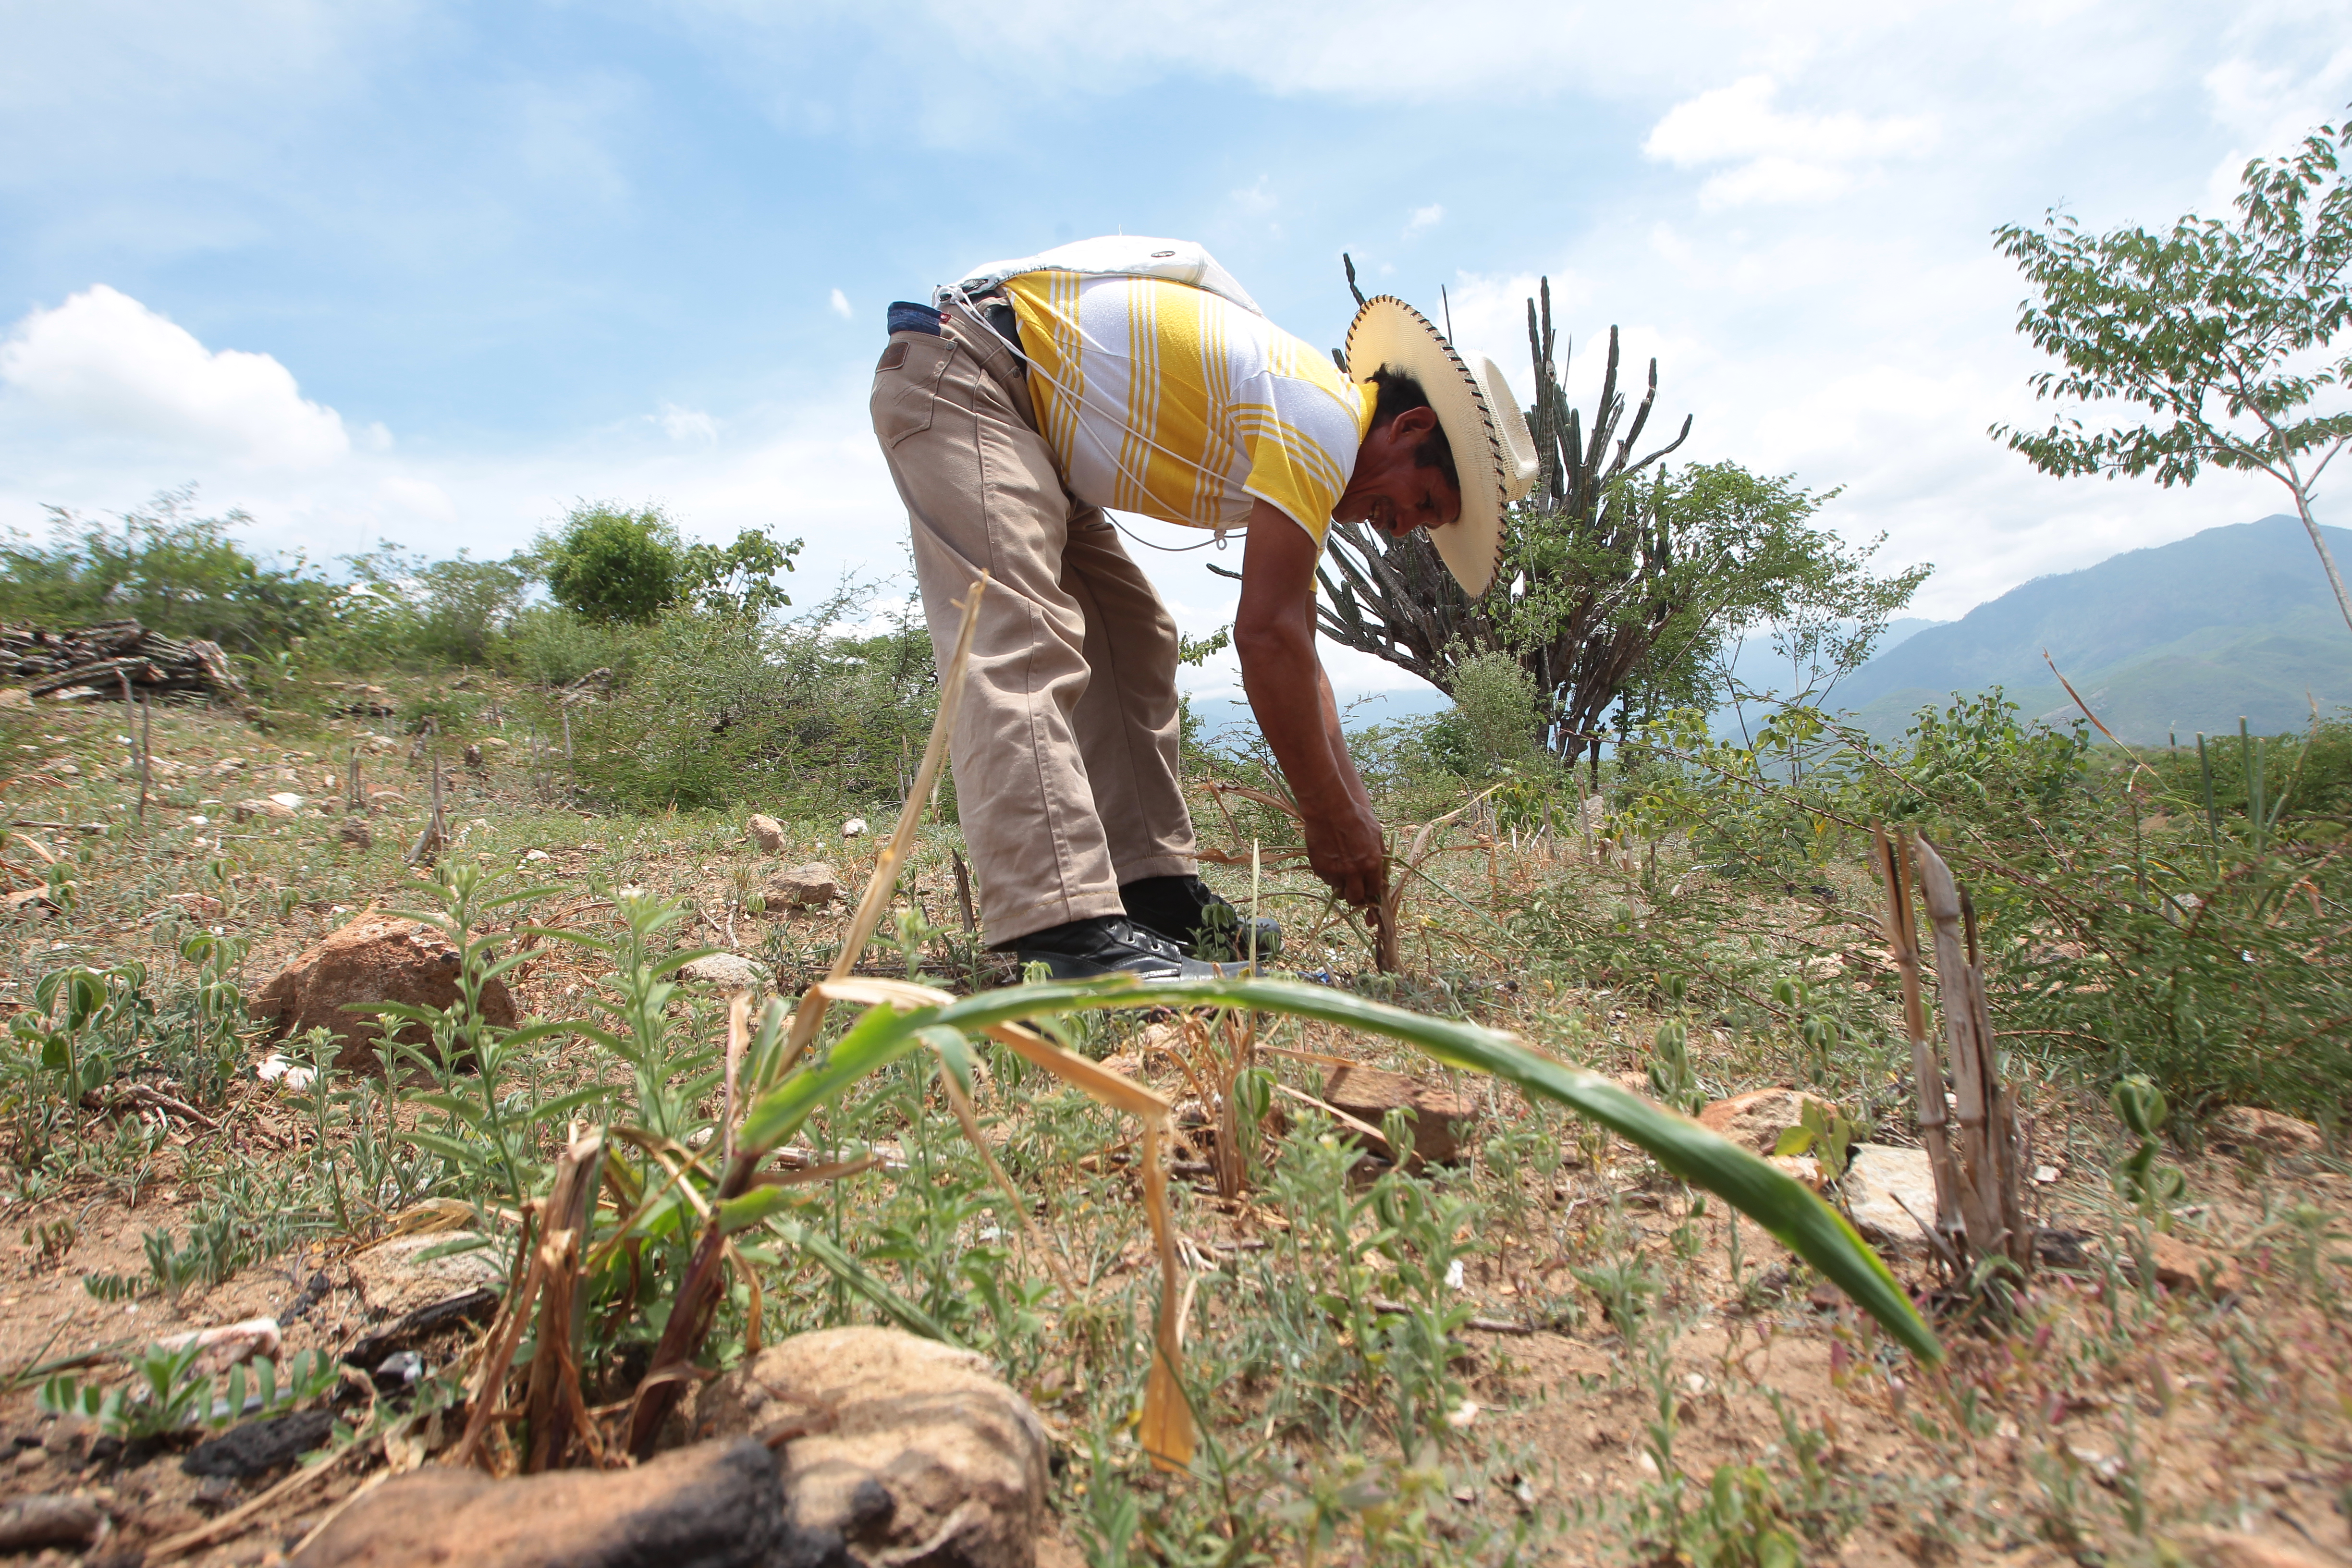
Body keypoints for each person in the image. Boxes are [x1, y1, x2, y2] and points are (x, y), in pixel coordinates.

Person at [870, 236, 1536, 980]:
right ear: (1410, 430)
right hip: (970, 377)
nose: (1404, 526)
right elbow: (1268, 637)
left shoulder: (1319, 422)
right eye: (1425, 502)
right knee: (1019, 632)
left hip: (1036, 428)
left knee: (1132, 634)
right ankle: (1064, 928)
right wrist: (1327, 816)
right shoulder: (1323, 418)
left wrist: (1354, 808)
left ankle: (1152, 891)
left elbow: (1299, 649)